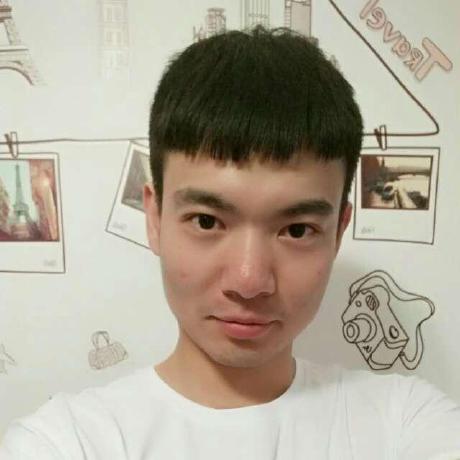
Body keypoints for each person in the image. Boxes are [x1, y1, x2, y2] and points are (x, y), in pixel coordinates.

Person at [1, 26, 459, 459]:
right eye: (207, 221)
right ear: (154, 218)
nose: (249, 281)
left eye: (297, 230)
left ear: (338, 231)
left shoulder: (406, 422)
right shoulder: (66, 442)